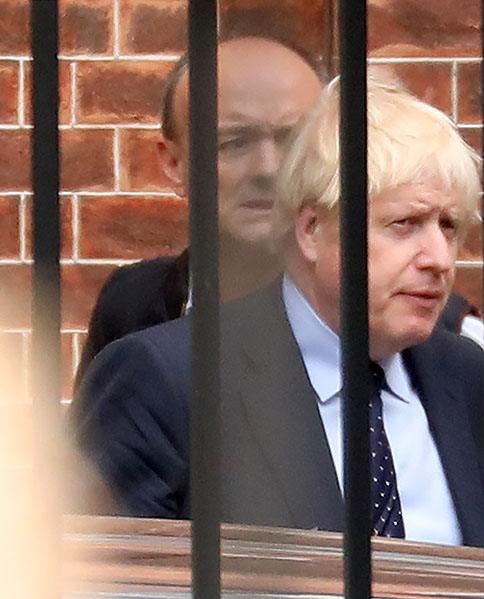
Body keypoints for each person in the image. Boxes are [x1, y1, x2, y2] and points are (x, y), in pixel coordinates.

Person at [71, 73, 484, 547]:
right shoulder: (166, 380)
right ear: (311, 229)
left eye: (449, 226)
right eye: (404, 224)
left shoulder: (467, 377)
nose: (439, 258)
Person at [74, 34, 325, 388]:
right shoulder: (133, 304)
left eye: (293, 140)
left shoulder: (382, 306)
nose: (268, 168)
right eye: (234, 142)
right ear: (174, 162)